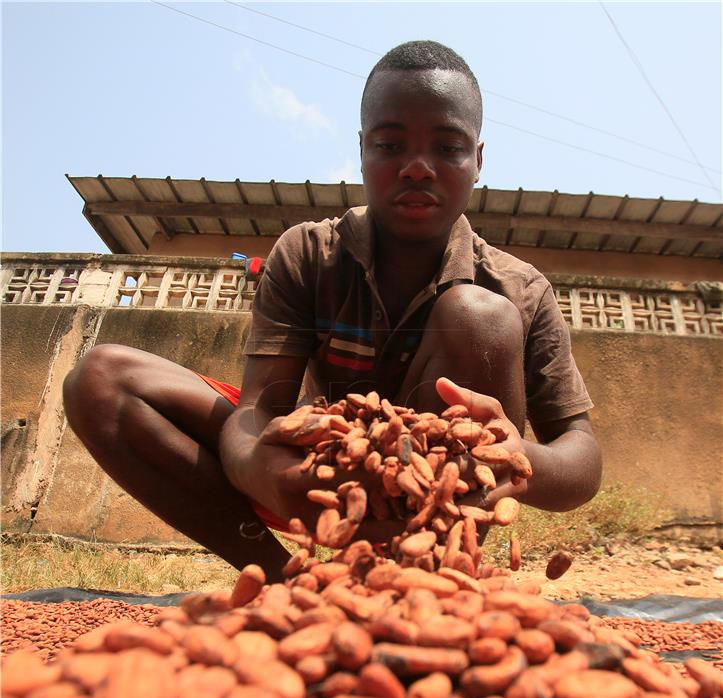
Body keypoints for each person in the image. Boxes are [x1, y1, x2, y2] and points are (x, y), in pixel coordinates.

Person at [63, 41, 602, 581]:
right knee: (102, 379)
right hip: (318, 479)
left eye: (447, 146)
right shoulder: (308, 254)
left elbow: (582, 457)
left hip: (440, 493)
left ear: (478, 160)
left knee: (481, 316)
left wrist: (516, 456)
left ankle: (432, 578)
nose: (417, 168)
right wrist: (260, 466)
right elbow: (258, 408)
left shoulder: (520, 288)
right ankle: (285, 583)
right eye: (391, 145)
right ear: (362, 149)